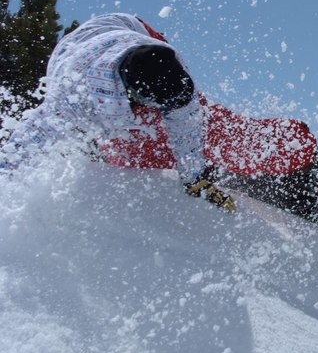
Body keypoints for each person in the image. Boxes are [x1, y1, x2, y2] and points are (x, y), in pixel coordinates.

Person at [0, 13, 235, 212]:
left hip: (128, 28)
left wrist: (194, 177)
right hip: (78, 57)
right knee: (135, 150)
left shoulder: (171, 63)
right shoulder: (74, 96)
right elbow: (25, 145)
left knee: (199, 117)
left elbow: (186, 122)